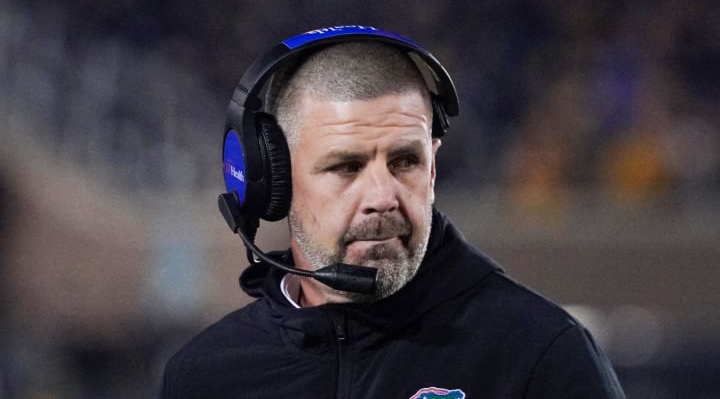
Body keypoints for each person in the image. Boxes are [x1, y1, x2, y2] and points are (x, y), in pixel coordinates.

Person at [161, 26, 624, 398]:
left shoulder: (538, 354)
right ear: (272, 182)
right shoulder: (205, 377)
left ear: (433, 168)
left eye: (406, 162)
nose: (383, 196)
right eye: (346, 166)